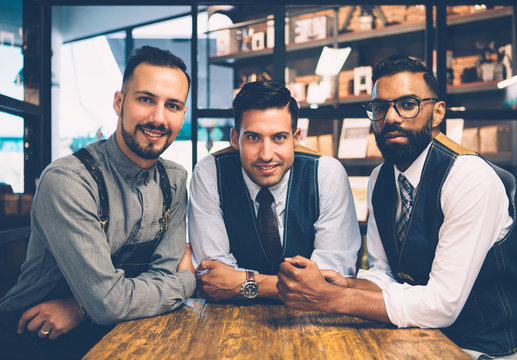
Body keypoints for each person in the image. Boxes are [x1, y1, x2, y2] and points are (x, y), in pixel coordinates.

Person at [276, 55, 517, 359]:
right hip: (418, 336)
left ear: (437, 113)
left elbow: (442, 305)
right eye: (380, 107)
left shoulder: (469, 178)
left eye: (407, 104)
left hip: (483, 348)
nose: (391, 117)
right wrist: (346, 283)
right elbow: (385, 273)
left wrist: (333, 298)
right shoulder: (380, 178)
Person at [0, 46, 196, 359]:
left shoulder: (175, 180)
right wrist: (187, 281)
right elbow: (111, 302)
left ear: (183, 113)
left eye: (173, 105)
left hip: (125, 331)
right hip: (35, 336)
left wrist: (82, 308)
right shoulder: (69, 180)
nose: (159, 118)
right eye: (146, 99)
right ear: (119, 102)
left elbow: (122, 295)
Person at [189, 80, 361, 301]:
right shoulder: (209, 173)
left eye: (279, 137)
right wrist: (300, 286)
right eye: (253, 137)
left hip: (313, 324)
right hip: (227, 321)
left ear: (296, 138)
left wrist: (244, 282)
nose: (266, 154)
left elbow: (329, 284)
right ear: (235, 139)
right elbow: (213, 279)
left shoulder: (326, 174)